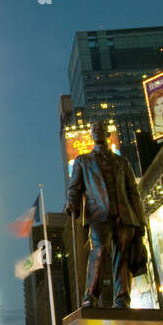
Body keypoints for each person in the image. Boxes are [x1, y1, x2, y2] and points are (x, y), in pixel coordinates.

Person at [64, 118, 147, 308]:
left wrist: (140, 222)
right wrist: (71, 203)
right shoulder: (82, 161)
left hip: (124, 214)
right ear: (91, 135)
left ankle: (122, 298)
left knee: (123, 255)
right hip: (98, 214)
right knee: (99, 252)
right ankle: (91, 296)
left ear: (107, 134)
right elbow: (74, 188)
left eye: (100, 128)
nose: (97, 130)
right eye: (94, 128)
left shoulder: (122, 161)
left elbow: (133, 192)